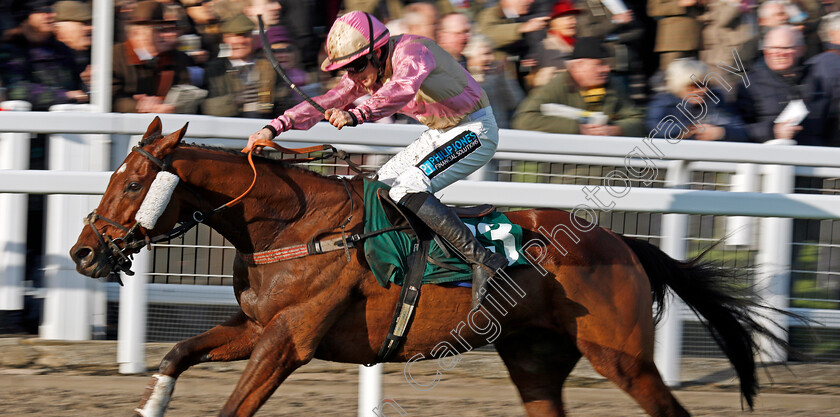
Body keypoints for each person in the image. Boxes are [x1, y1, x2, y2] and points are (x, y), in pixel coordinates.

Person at [244, 11, 507, 309]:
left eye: (356, 66)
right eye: (347, 69)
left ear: (379, 52)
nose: (354, 76)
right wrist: (274, 127)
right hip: (441, 131)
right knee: (378, 189)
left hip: (476, 130)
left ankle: (484, 260)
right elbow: (328, 100)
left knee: (408, 186)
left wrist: (357, 114)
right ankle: (419, 260)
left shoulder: (413, 50)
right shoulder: (369, 70)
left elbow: (401, 88)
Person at [511, 36, 645, 135]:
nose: (606, 69)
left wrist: (615, 129)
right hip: (566, 167)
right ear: (578, 66)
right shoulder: (557, 85)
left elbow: (637, 120)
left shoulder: (612, 85)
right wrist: (578, 128)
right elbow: (524, 119)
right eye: (600, 65)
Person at [736, 24, 835, 144]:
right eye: (772, 48)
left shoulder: (819, 80)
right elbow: (739, 129)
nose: (778, 53)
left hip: (816, 156)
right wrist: (773, 131)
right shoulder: (750, 84)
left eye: (786, 48)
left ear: (801, 50)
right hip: (772, 158)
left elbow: (832, 124)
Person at [111, 0, 192, 113]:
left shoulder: (177, 58)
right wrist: (140, 106)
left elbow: (186, 91)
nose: (165, 35)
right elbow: (111, 98)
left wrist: (164, 104)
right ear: (137, 32)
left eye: (163, 29)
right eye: (157, 30)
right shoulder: (114, 56)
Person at [646, 58, 749, 141]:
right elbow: (654, 128)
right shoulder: (664, 102)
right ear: (679, 86)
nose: (703, 90)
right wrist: (689, 129)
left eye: (706, 84)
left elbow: (742, 131)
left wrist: (721, 132)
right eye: (695, 85)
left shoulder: (717, 100)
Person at [202, 13, 277, 117]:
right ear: (225, 39)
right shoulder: (215, 69)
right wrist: (235, 100)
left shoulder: (269, 66)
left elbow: (283, 103)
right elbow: (205, 108)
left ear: (254, 38)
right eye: (234, 36)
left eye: (245, 36)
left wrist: (270, 100)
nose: (240, 41)